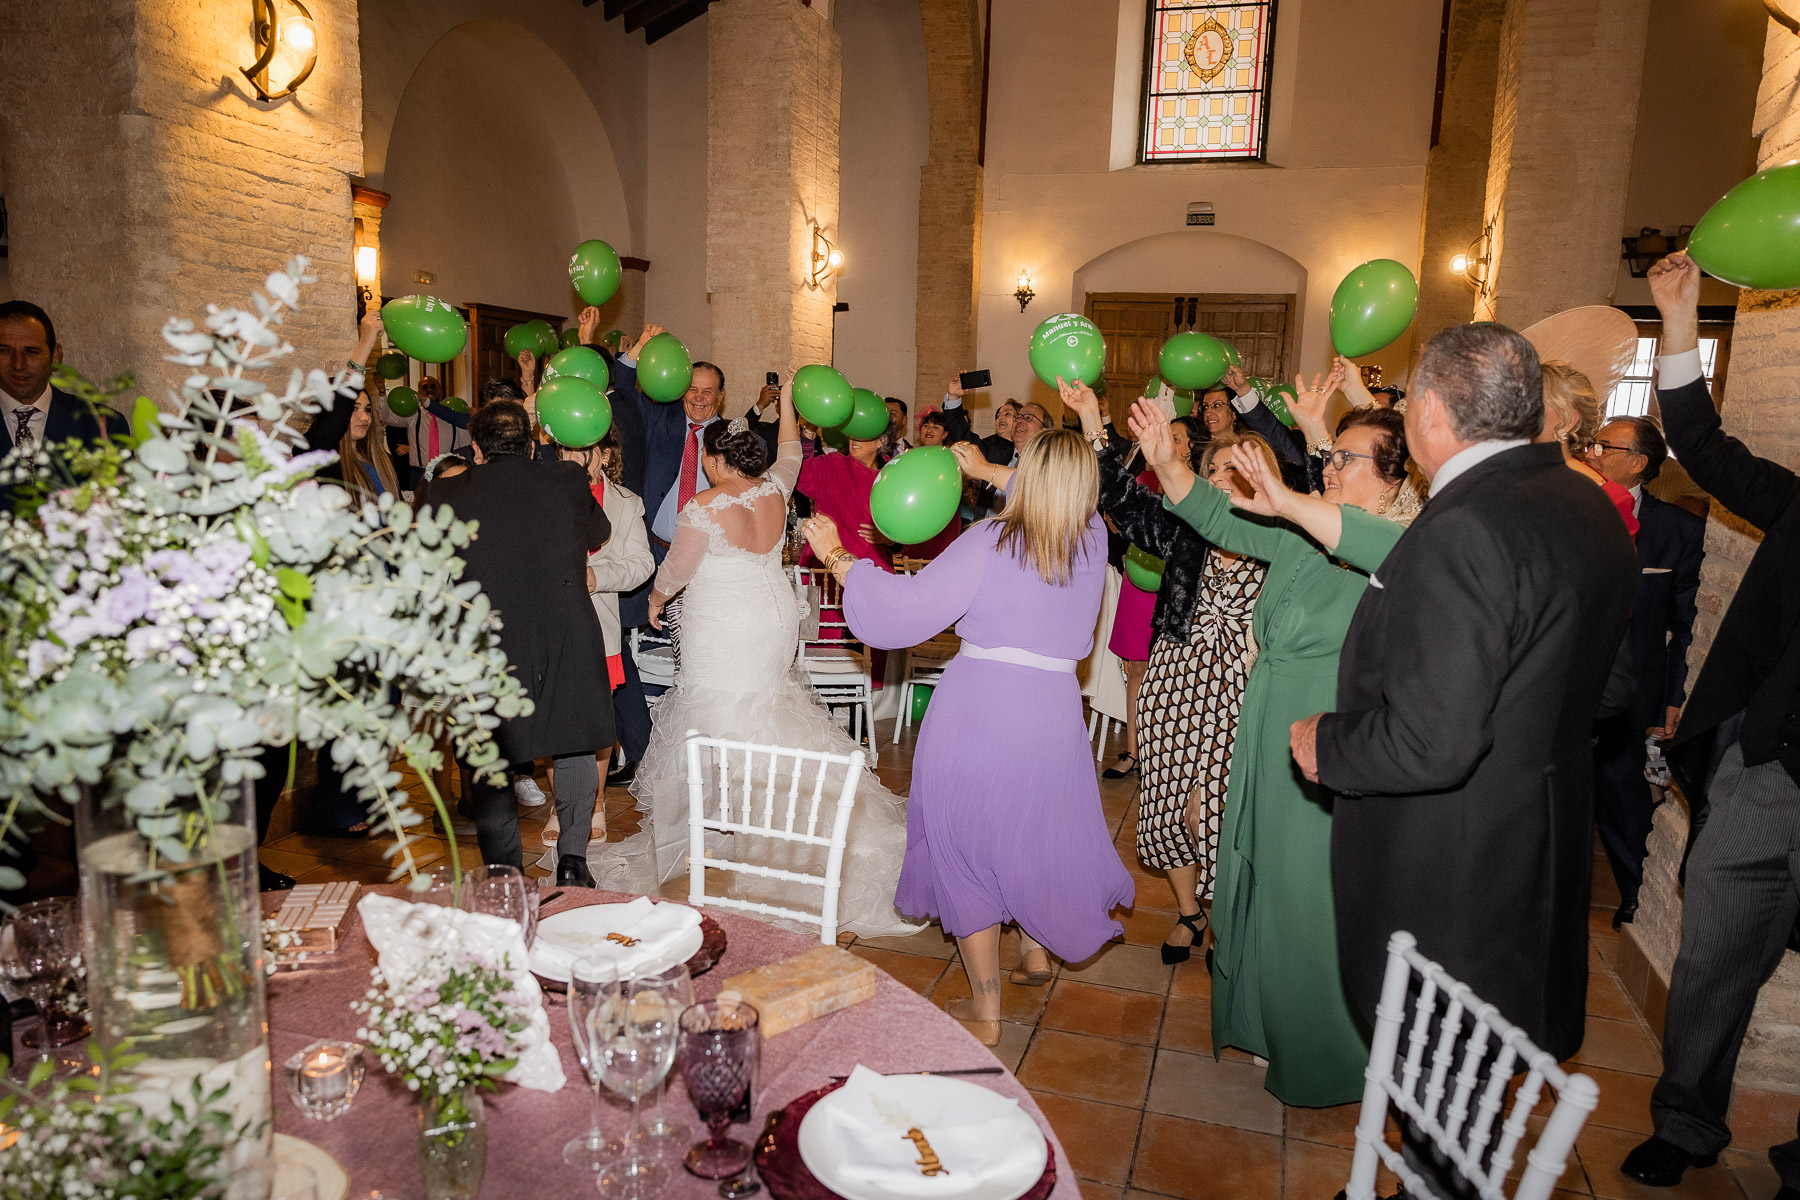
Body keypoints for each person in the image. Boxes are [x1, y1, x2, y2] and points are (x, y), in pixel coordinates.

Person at [1294, 324, 1634, 1120]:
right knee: (1476, 1088)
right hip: (1537, 851)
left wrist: (1325, 742)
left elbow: (1432, 742)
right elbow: (1613, 686)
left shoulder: (1464, 526)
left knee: (1438, 1093)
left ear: (1431, 411)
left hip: (1450, 871)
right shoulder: (1586, 502)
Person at [804, 428, 1134, 1047]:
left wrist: (839, 558)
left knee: (967, 844)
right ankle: (1034, 953)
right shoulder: (1092, 537)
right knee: (1032, 830)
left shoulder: (990, 540)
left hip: (981, 708)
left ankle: (986, 1009)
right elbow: (1051, 490)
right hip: (1054, 712)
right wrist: (987, 470)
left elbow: (908, 607)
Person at [1131, 388, 1415, 1107]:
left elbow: (1364, 547)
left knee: (1305, 892)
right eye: (1331, 455)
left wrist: (1288, 500)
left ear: (1393, 480)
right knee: (1253, 876)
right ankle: (1266, 1023)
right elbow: (1216, 515)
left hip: (1330, 730)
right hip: (1265, 719)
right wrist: (1167, 463)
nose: (1330, 467)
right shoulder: (1301, 533)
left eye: (1347, 459)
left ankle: (1325, 1052)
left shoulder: (1407, 544)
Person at [599, 385, 919, 940]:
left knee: (716, 714)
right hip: (774, 620)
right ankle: (769, 825)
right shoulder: (776, 486)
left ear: (716, 461)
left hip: (724, 624)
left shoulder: (704, 507)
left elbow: (676, 570)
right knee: (766, 706)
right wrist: (789, 400)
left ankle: (723, 830)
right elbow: (791, 450)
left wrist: (655, 601)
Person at [1616, 253, 1800, 1198]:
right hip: (1770, 773)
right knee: (1714, 956)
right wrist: (1680, 321)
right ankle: (1686, 1125)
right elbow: (1703, 445)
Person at [1067, 382, 1268, 961]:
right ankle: (1189, 913)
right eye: (1214, 470)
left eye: (1235, 469)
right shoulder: (1184, 529)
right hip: (1173, 680)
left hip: (1242, 688)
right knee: (1167, 809)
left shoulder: (1281, 537)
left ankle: (1228, 920)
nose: (1223, 478)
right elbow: (1118, 494)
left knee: (1216, 814)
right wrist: (1092, 421)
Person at [425, 401, 614, 883]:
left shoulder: (443, 492)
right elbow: (600, 531)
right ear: (531, 446)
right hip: (565, 629)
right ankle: (572, 863)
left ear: (476, 449)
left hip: (485, 639)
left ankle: (504, 871)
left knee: (490, 750)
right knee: (573, 741)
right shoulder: (567, 479)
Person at [1585, 415, 1704, 929]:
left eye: (1604, 447)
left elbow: (1688, 623)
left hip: (1630, 693)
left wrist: (1676, 695)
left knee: (1622, 798)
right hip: (1563, 680)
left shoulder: (1677, 530)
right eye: (1591, 444)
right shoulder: (1571, 506)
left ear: (1638, 463)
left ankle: (1634, 895)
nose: (1591, 453)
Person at [604, 324, 722, 784]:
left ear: (721, 396)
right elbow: (622, 394)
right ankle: (645, 752)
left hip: (710, 565)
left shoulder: (729, 438)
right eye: (693, 389)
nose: (699, 398)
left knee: (703, 657)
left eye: (708, 391)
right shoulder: (660, 420)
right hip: (653, 556)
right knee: (617, 647)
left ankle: (704, 752)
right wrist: (634, 352)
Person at [534, 431, 655, 858]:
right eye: (566, 448)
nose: (574, 456)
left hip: (599, 622)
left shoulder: (627, 503)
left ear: (603, 456)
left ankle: (597, 801)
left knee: (596, 720)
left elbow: (642, 562)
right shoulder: (540, 492)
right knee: (554, 718)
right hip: (547, 622)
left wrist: (596, 576)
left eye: (583, 450)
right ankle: (563, 805)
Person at [0, 300, 108, 459]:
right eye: (4, 351)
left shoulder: (101, 425)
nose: (18, 364)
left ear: (55, 355)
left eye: (31, 352)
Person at [798, 427, 896, 572]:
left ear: (881, 441)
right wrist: (809, 431)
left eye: (863, 433)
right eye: (853, 432)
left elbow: (907, 529)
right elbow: (801, 476)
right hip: (827, 570)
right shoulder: (833, 463)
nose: (854, 439)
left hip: (873, 571)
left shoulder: (892, 477)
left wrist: (889, 539)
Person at [880, 397, 912, 464]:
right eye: (884, 413)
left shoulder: (912, 451)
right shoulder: (873, 450)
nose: (888, 417)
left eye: (892, 413)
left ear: (904, 420)